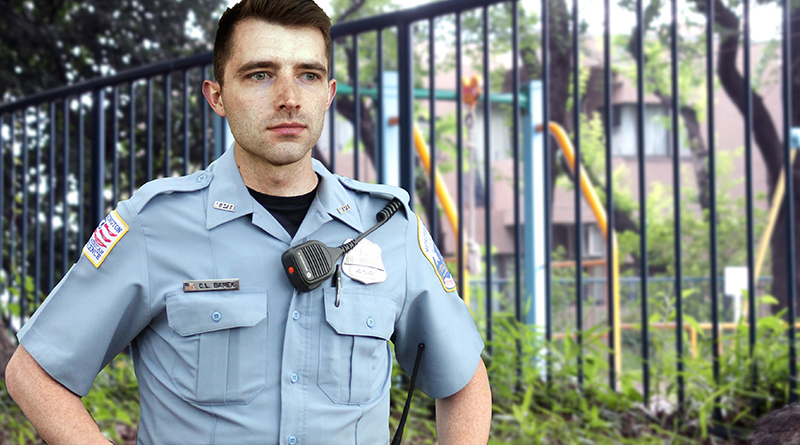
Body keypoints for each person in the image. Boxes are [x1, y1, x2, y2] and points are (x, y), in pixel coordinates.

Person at [4, 0, 492, 444]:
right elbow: (35, 372)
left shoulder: (389, 227)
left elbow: (464, 381)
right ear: (217, 96)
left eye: (308, 75)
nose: (289, 97)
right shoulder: (154, 225)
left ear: (329, 94)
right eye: (260, 74)